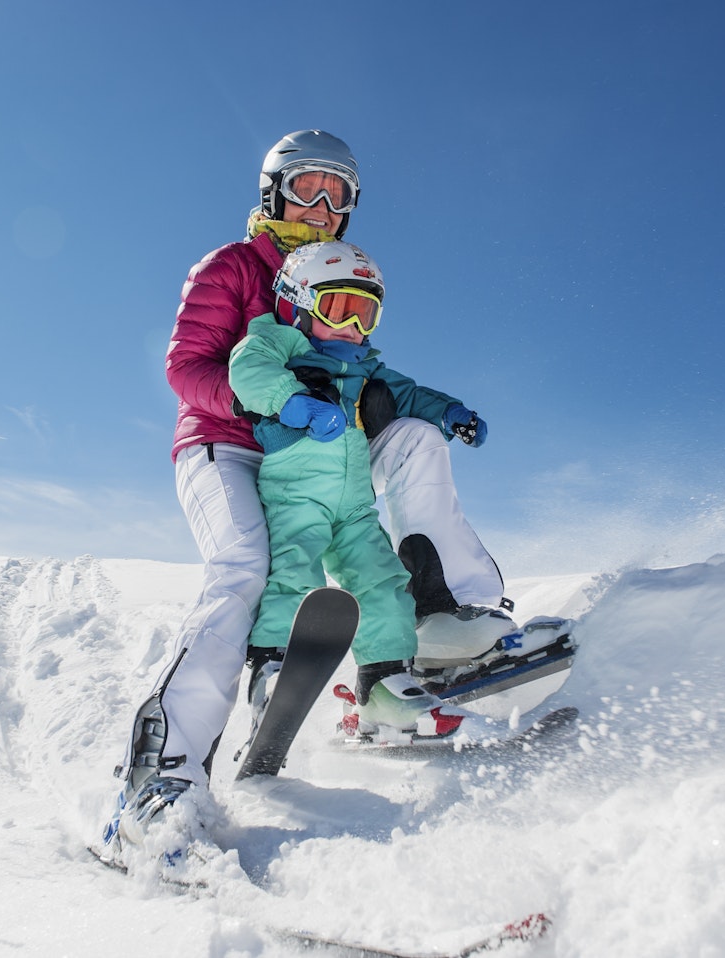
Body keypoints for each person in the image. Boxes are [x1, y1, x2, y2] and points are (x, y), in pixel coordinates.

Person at [103, 131, 530, 860]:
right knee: (245, 567)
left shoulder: (346, 281)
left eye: (340, 195)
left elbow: (388, 385)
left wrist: (433, 407)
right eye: (308, 189)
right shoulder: (235, 268)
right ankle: (160, 777)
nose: (324, 207)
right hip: (227, 443)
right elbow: (187, 367)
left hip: (331, 454)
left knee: (418, 437)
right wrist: (279, 407)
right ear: (274, 192)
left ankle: (442, 622)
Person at [231, 240, 490, 741]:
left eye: (364, 314)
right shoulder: (278, 340)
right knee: (294, 573)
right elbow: (247, 370)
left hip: (353, 503)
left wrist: (451, 411)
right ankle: (274, 669)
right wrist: (292, 400)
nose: (352, 327)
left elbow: (411, 394)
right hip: (296, 491)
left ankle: (384, 685)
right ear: (297, 302)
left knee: (384, 582)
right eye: (339, 308)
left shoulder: (367, 367)